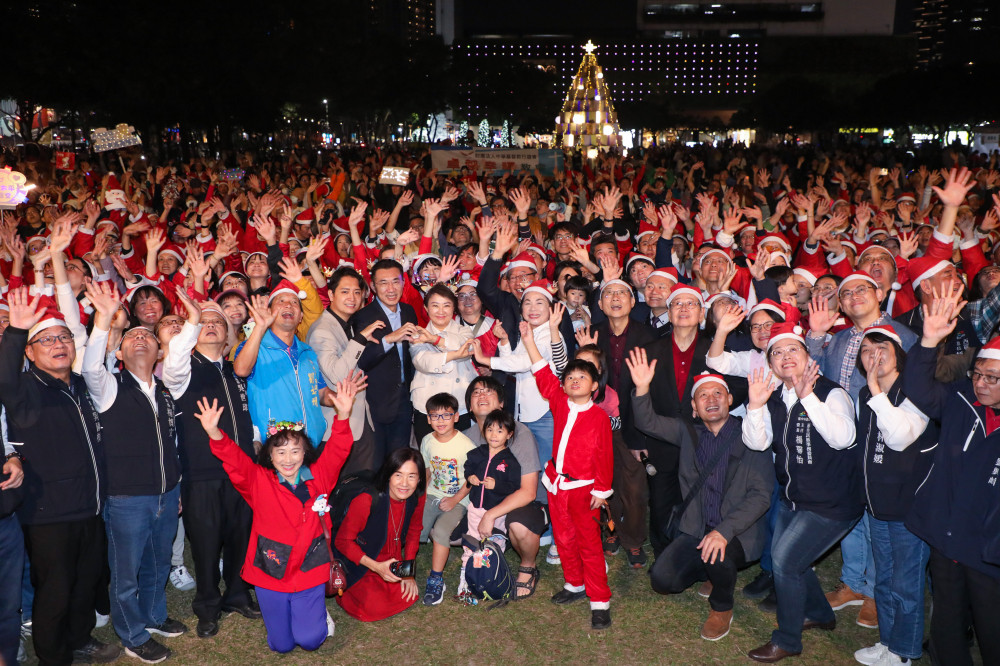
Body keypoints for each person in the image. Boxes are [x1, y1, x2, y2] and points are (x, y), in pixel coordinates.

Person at [192, 378, 356, 653]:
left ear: (306, 452)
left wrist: (344, 416)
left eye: (295, 451)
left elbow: (338, 450)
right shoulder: (259, 481)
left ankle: (315, 616)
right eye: (280, 452)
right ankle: (295, 615)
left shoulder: (320, 476)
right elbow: (235, 460)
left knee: (310, 640)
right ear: (270, 454)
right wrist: (214, 433)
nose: (288, 459)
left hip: (310, 568)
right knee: (280, 645)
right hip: (271, 571)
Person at [0, 289, 119, 665]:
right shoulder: (23, 389)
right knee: (55, 592)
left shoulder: (81, 385)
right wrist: (16, 332)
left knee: (85, 583)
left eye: (64, 337)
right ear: (30, 352)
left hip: (89, 506)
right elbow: (3, 378)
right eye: (46, 340)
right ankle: (54, 657)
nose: (58, 345)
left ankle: (80, 638)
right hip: (48, 513)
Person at [628, 354, 773, 642]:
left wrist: (723, 531)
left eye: (718, 393)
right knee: (662, 580)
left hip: (737, 532)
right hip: (695, 527)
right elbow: (647, 422)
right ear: (694, 408)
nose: (711, 400)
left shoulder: (751, 434)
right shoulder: (688, 433)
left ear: (729, 399)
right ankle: (709, 570)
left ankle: (722, 606)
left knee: (718, 555)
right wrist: (643, 387)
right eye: (703, 396)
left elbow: (761, 496)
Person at [742, 322, 863, 663]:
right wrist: (754, 406)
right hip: (793, 498)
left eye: (792, 349)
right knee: (793, 562)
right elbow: (758, 442)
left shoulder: (831, 393)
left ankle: (788, 639)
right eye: (776, 353)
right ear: (771, 364)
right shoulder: (776, 398)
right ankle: (821, 614)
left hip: (833, 503)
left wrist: (807, 395)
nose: (784, 357)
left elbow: (842, 438)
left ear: (809, 356)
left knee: (785, 562)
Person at [82, 281, 189, 663]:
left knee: (159, 562)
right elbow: (91, 365)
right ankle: (132, 634)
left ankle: (155, 615)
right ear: (121, 351)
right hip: (127, 499)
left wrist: (174, 489)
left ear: (159, 350)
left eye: (147, 336)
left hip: (166, 493)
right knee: (125, 574)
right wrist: (102, 322)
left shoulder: (164, 389)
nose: (140, 339)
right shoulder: (109, 387)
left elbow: (171, 443)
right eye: (132, 337)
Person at [903, 287, 1000, 666]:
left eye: (992, 378)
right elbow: (917, 389)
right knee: (946, 624)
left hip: (989, 554)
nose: (980, 384)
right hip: (946, 537)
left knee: (992, 630)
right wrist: (929, 342)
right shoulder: (962, 399)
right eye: (978, 374)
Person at [161, 297, 261, 639]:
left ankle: (236, 594)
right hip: (201, 472)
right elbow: (174, 360)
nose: (211, 325)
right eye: (203, 322)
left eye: (217, 321)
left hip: (241, 471)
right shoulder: (183, 370)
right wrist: (191, 319)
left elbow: (247, 415)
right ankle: (207, 605)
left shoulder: (236, 370)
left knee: (240, 536)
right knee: (204, 542)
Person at [521, 321, 614, 631]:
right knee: (563, 539)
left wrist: (601, 490)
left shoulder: (599, 417)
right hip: (555, 486)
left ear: (594, 387)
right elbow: (541, 372)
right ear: (563, 386)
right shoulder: (559, 401)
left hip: (584, 490)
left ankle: (599, 600)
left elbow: (604, 455)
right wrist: (529, 340)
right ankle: (574, 583)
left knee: (589, 544)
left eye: (582, 377)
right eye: (570, 377)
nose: (575, 380)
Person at [852, 325, 936, 666]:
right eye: (867, 352)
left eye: (882, 349)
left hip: (910, 509)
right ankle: (889, 642)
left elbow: (901, 437)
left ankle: (904, 653)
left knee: (907, 585)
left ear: (899, 354)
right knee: (884, 581)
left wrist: (875, 391)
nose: (874, 358)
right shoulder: (862, 396)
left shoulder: (917, 392)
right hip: (877, 506)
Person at [577, 278, 656, 568]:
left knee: (634, 485)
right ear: (599, 304)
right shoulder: (591, 335)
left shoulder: (648, 336)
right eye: (608, 293)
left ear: (634, 302)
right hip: (598, 421)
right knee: (603, 482)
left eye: (622, 292)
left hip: (634, 422)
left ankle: (634, 540)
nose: (615, 298)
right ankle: (611, 531)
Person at [462, 375, 546, 599]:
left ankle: (528, 566)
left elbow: (528, 491)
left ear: (501, 404)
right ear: (470, 406)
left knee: (519, 525)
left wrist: (490, 515)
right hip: (481, 503)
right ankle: (484, 553)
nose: (481, 394)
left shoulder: (518, 433)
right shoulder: (466, 437)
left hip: (523, 502)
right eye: (476, 392)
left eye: (489, 391)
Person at [234, 280, 333, 447]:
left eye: (295, 302)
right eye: (281, 301)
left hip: (309, 447)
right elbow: (241, 369)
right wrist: (260, 327)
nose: (288, 305)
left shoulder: (307, 352)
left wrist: (341, 397)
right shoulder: (254, 347)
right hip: (273, 447)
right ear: (270, 312)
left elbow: (321, 392)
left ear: (301, 317)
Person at [306, 266, 384, 477]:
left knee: (361, 489)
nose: (352, 297)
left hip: (359, 421)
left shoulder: (350, 323)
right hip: (335, 426)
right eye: (345, 291)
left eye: (357, 292)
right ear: (330, 294)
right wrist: (359, 340)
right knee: (340, 492)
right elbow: (337, 375)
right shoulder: (322, 330)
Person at [333, 448, 426, 621]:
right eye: (398, 475)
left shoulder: (417, 496)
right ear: (388, 475)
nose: (404, 483)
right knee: (371, 609)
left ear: (419, 479)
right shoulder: (367, 500)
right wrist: (376, 567)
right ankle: (348, 594)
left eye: (411, 476)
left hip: (392, 559)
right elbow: (343, 542)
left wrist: (408, 572)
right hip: (362, 560)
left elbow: (414, 531)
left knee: (409, 596)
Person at [351, 259, 419, 464]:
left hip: (405, 401)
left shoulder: (408, 312)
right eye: (383, 283)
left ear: (403, 283)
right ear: (372, 286)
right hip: (376, 403)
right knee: (377, 463)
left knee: (400, 461)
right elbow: (363, 360)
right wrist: (390, 338)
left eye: (396, 282)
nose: (391, 289)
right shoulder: (363, 316)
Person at [418, 392, 476, 606]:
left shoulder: (466, 446)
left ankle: (436, 578)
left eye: (446, 415)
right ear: (428, 418)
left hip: (458, 498)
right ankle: (405, 568)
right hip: (433, 493)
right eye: (435, 416)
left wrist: (455, 500)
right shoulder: (427, 440)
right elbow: (427, 469)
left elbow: (471, 479)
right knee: (416, 526)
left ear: (456, 417)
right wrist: (421, 495)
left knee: (442, 531)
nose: (440, 421)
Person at [459, 408, 522, 596]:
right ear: (484, 431)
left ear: (509, 434)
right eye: (490, 429)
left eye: (500, 431)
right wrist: (469, 477)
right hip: (475, 508)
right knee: (472, 542)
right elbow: (467, 467)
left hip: (497, 513)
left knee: (494, 543)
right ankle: (467, 575)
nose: (494, 435)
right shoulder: (476, 453)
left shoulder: (511, 462)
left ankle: (491, 573)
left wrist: (498, 485)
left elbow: (513, 487)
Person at [409, 284, 477, 442]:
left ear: (454, 308)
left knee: (462, 457)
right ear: (426, 308)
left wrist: (434, 340)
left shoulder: (464, 331)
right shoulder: (418, 333)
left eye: (446, 306)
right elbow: (423, 362)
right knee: (429, 456)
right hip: (426, 406)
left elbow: (466, 346)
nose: (441, 311)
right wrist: (455, 355)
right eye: (435, 306)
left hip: (459, 405)